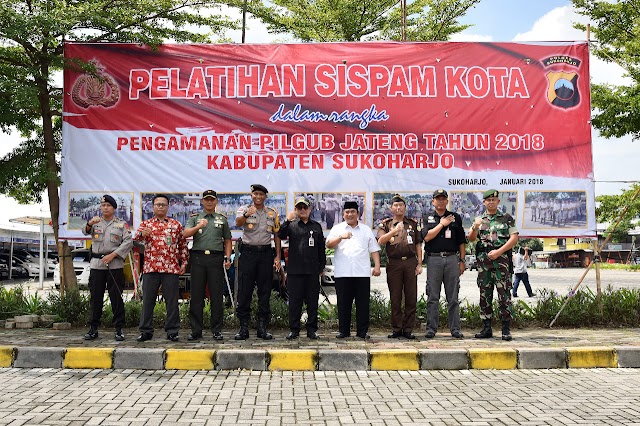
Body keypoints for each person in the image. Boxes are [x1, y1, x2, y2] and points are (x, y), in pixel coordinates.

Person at [134, 194, 189, 342]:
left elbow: (183, 245)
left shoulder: (176, 225)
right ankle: (146, 331)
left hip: (170, 268)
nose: (160, 207)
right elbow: (135, 241)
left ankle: (172, 331)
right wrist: (140, 234)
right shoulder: (146, 224)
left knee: (171, 301)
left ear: (168, 207)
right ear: (152, 207)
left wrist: (184, 263)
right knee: (148, 301)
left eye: (163, 204)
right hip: (150, 268)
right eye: (157, 204)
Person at [468, 189, 519, 341]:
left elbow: (514, 238)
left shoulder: (506, 218)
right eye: (488, 200)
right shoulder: (479, 219)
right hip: (484, 262)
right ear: (484, 202)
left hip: (501, 261)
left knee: (504, 294)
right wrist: (475, 227)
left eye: (493, 200)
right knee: (485, 293)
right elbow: (471, 239)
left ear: (498, 202)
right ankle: (486, 328)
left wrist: (499, 252)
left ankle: (505, 329)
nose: (491, 202)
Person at [326, 201, 381, 339]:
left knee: (362, 304)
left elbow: (374, 249)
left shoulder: (366, 229)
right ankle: (343, 331)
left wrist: (377, 266)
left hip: (362, 273)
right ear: (343, 214)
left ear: (358, 214)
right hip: (342, 273)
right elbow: (329, 244)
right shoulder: (337, 229)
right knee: (343, 304)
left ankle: (362, 332)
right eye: (347, 212)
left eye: (353, 212)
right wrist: (341, 237)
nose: (350, 214)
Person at [182, 190, 232, 341]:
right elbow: (185, 234)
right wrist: (198, 227)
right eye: (206, 200)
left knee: (216, 295)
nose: (209, 202)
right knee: (196, 295)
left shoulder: (222, 219)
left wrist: (228, 257)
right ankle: (196, 330)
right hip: (198, 258)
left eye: (212, 200)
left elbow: (228, 239)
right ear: (202, 202)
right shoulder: (195, 218)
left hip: (216, 259)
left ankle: (217, 330)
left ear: (216, 201)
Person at [82, 194, 133, 341]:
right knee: (95, 297)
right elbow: (84, 231)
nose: (105, 208)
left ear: (114, 208)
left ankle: (119, 328)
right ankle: (93, 328)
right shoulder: (95, 223)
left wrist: (113, 255)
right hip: (97, 265)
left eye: (108, 205)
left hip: (114, 264)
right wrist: (90, 223)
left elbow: (128, 242)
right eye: (103, 205)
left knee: (116, 297)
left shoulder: (121, 224)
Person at [234, 184, 281, 340]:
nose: (258, 197)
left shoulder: (272, 213)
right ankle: (243, 328)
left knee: (265, 291)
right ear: (251, 195)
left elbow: (276, 236)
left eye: (261, 194)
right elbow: (238, 223)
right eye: (256, 194)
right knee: (244, 290)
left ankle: (262, 327)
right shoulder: (244, 209)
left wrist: (278, 256)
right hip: (248, 253)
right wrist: (247, 214)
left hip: (266, 254)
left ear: (265, 197)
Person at [278, 196, 326, 340]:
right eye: (299, 208)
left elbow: (321, 249)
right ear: (296, 210)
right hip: (295, 271)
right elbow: (280, 235)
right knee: (294, 302)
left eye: (305, 207)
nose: (303, 210)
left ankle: (311, 330)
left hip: (312, 271)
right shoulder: (291, 225)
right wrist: (287, 220)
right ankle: (294, 330)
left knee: (312, 302)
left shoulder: (316, 226)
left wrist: (321, 267)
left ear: (310, 209)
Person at [421, 189, 466, 339]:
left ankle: (455, 329)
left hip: (452, 259)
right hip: (433, 259)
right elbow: (426, 237)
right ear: (433, 201)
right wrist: (441, 224)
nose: (440, 201)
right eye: (437, 199)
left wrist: (462, 260)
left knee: (453, 297)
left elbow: (461, 242)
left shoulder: (456, 218)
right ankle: (431, 329)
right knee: (432, 296)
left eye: (443, 199)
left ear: (447, 201)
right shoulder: (427, 217)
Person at [376, 194, 422, 339]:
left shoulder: (413, 223)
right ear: (391, 208)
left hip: (410, 262)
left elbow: (418, 244)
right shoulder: (386, 224)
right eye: (395, 205)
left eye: (401, 205)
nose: (398, 208)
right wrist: (394, 231)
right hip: (394, 263)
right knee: (395, 297)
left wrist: (420, 263)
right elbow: (381, 241)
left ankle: (408, 329)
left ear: (405, 207)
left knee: (411, 297)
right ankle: (396, 328)